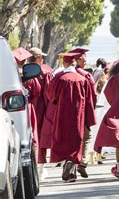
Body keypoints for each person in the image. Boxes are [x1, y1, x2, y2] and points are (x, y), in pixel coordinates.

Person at [47, 52, 96, 183]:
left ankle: (68, 164)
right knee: (76, 141)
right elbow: (89, 99)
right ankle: (72, 167)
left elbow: (51, 96)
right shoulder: (82, 79)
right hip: (78, 115)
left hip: (62, 115)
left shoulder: (59, 78)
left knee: (63, 140)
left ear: (64, 63)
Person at [27, 47, 54, 179]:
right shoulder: (44, 72)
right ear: (37, 58)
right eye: (41, 57)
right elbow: (48, 93)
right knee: (41, 138)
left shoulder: (23, 71)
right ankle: (40, 169)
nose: (42, 59)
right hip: (41, 109)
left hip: (26, 108)